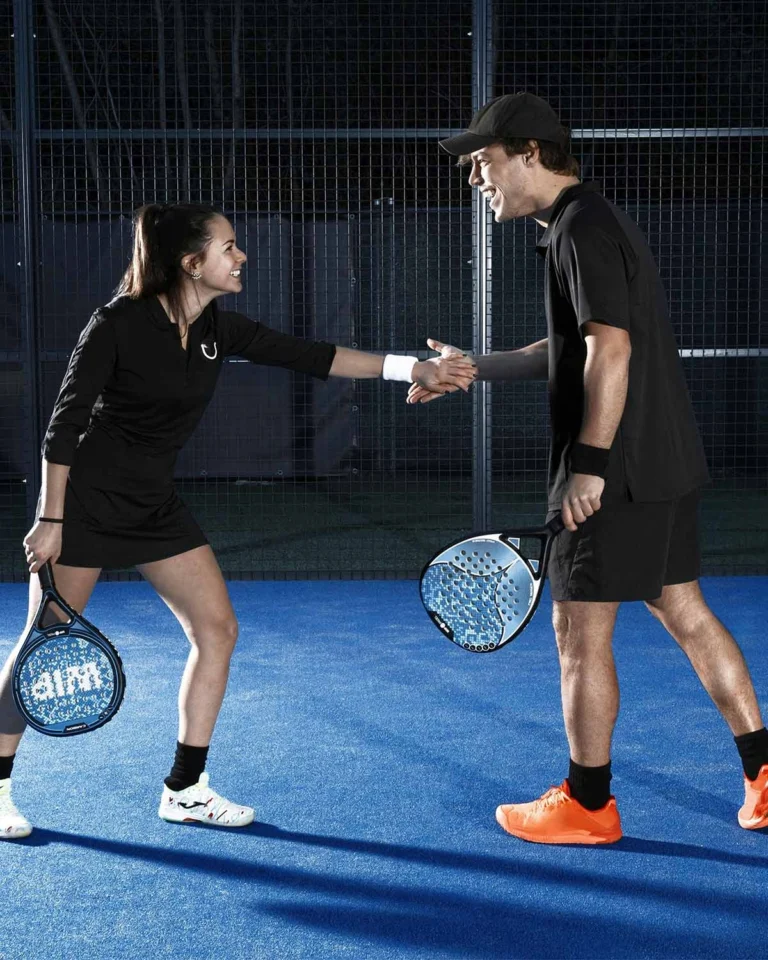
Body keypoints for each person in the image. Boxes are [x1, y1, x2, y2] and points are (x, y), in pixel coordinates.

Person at [0, 202, 475, 839]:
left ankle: (185, 788)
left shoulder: (218, 329)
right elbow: (64, 422)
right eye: (228, 247)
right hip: (84, 502)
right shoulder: (117, 322)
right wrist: (50, 517)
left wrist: (412, 368)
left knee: (218, 630)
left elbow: (314, 356)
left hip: (153, 504)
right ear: (190, 263)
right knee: (42, 646)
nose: (241, 255)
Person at [408, 92, 768, 844]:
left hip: (619, 470)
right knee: (688, 612)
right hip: (665, 461)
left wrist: (590, 467)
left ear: (531, 154)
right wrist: (476, 366)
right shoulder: (588, 222)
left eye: (484, 161)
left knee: (578, 635)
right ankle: (765, 777)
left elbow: (611, 351)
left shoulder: (580, 230)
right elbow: (567, 346)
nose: (476, 178)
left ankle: (589, 804)